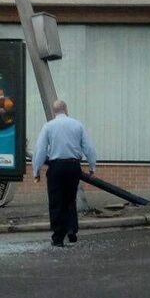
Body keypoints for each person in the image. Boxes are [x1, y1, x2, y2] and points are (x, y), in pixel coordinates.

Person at [32, 100, 97, 248]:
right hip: (73, 166)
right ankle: (71, 230)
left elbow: (40, 150)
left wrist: (36, 171)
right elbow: (89, 147)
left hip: (56, 167)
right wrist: (92, 166)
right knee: (70, 199)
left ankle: (58, 237)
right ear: (66, 109)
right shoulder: (77, 125)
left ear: (54, 111)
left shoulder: (48, 126)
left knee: (56, 202)